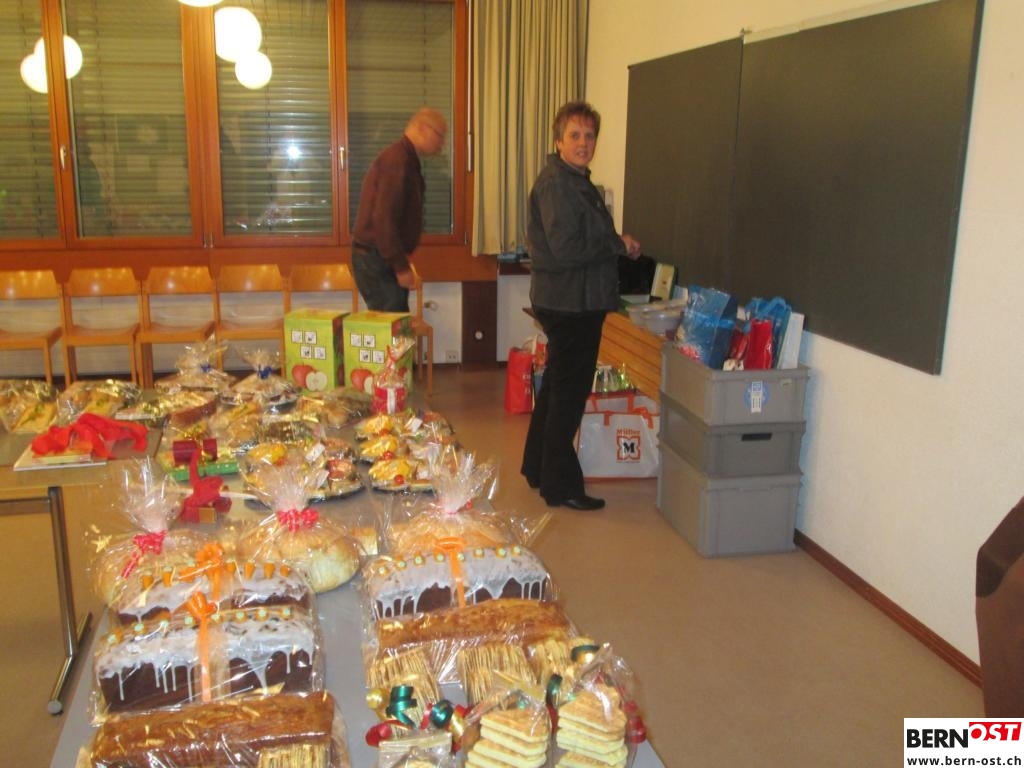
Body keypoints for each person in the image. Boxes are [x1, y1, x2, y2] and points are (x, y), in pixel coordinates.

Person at [520, 101, 642, 511]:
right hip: (570, 304)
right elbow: (567, 248)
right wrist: (616, 244)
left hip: (572, 300)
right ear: (558, 141)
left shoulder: (574, 180)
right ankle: (561, 487)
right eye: (574, 135)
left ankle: (537, 468)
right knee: (568, 396)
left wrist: (616, 243)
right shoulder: (559, 183)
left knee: (557, 386)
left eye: (589, 136)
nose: (583, 143)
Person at [351, 107, 447, 312]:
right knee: (393, 324)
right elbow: (383, 218)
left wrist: (400, 263)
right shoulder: (398, 161)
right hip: (376, 258)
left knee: (394, 322)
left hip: (380, 256)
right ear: (423, 129)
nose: (442, 143)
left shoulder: (405, 159)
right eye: (440, 135)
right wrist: (401, 267)